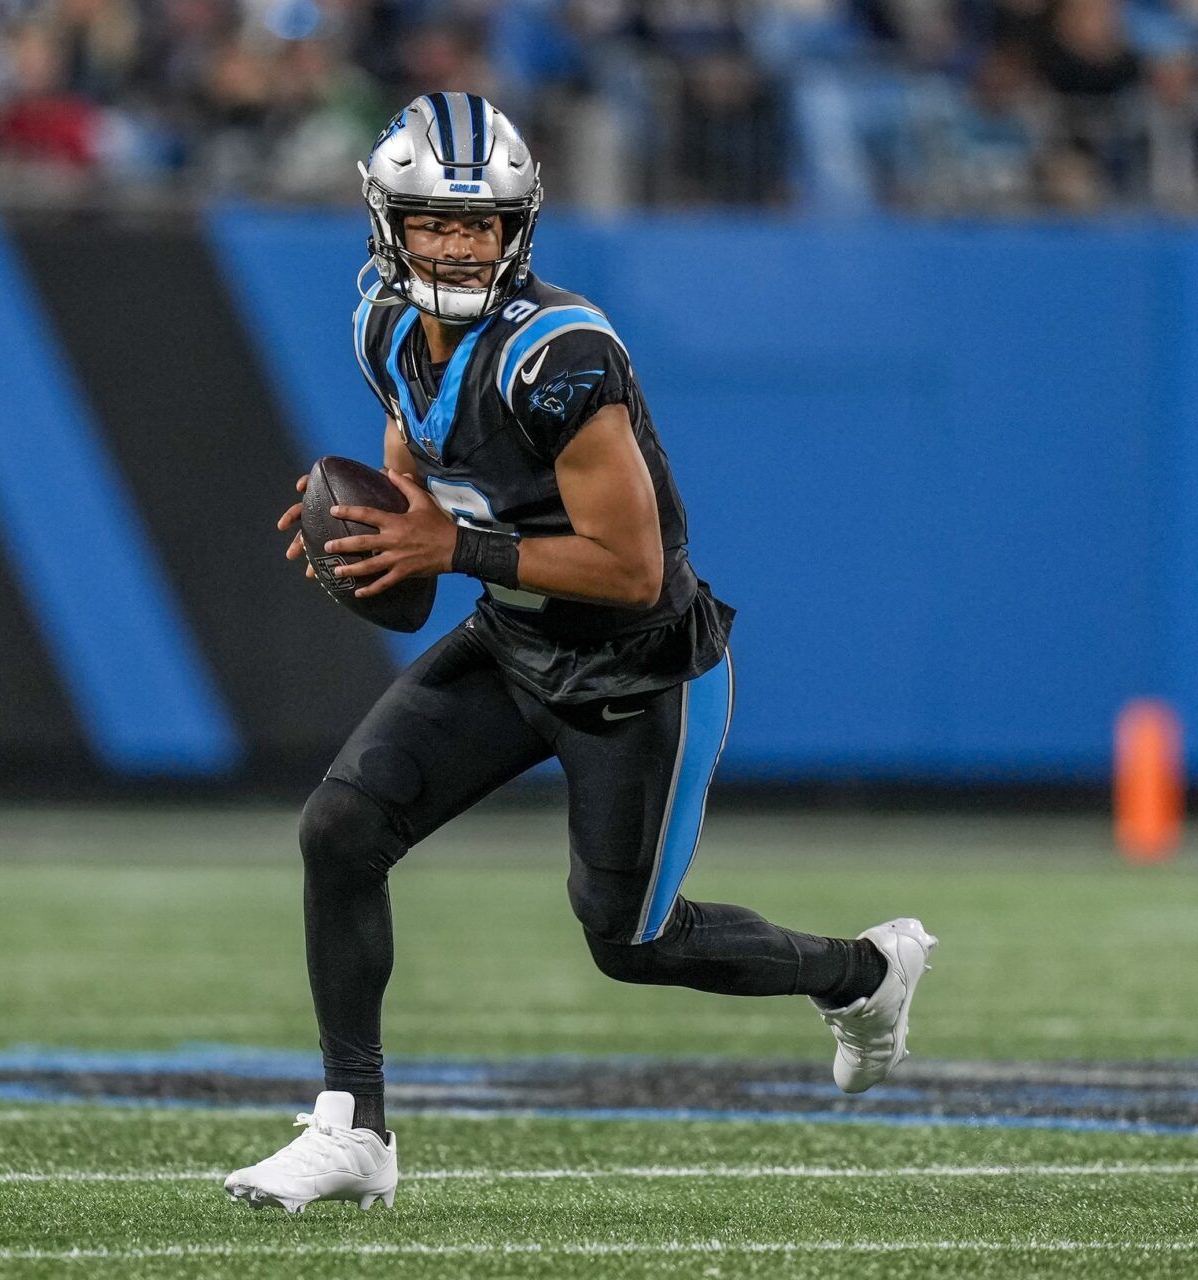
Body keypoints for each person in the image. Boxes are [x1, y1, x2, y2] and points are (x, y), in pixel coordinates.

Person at [225, 93, 937, 1215]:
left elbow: (634, 568)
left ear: (520, 232)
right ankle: (351, 1124)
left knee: (631, 941)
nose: (459, 246)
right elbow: (412, 444)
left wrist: (446, 542)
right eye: (434, 223)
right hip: (517, 641)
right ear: (385, 223)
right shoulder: (380, 324)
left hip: (640, 667)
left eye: (482, 226)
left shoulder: (559, 354)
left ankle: (866, 972)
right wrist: (377, 526)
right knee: (341, 827)